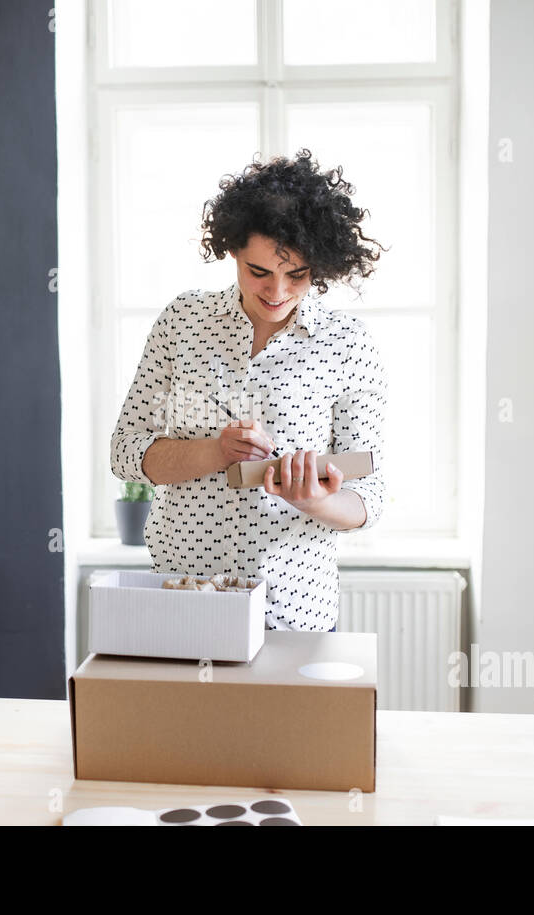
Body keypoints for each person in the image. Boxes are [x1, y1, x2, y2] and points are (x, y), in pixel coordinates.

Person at [110, 148, 387, 631]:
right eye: (259, 271)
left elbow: (370, 499)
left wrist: (312, 499)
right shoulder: (183, 322)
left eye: (297, 275)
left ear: (319, 266)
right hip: (185, 598)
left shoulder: (348, 344)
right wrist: (215, 452)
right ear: (233, 250)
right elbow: (126, 453)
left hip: (293, 609)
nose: (277, 291)